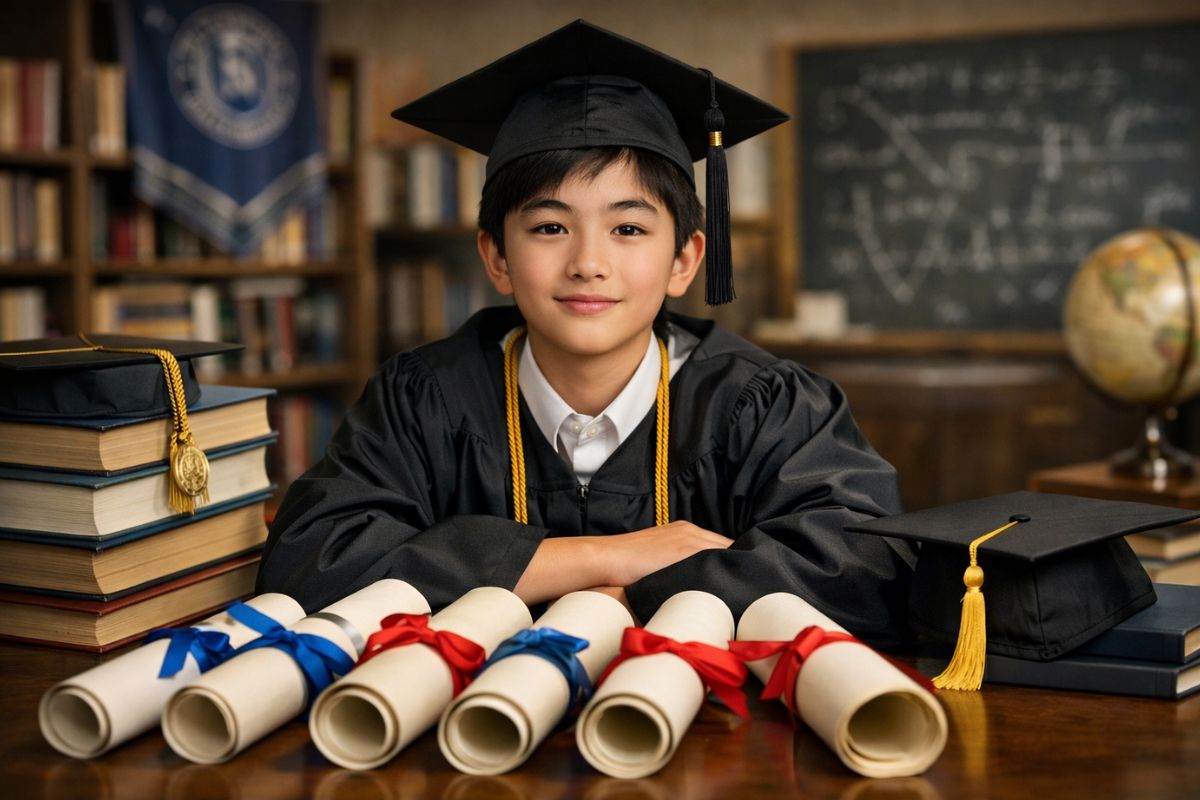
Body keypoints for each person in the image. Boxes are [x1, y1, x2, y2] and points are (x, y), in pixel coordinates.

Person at [257, 20, 915, 647]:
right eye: (550, 227)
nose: (588, 262)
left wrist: (619, 597)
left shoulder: (766, 408)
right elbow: (309, 561)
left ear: (684, 259)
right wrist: (614, 557)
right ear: (496, 258)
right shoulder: (422, 401)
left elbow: (862, 569)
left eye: (628, 228)